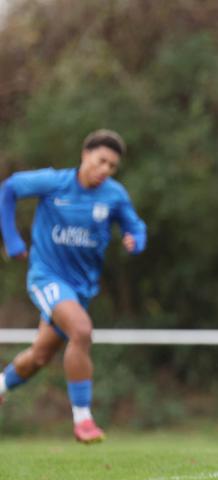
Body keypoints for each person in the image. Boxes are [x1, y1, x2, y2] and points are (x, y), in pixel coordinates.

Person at [0, 129, 147, 443]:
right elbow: (10, 188)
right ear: (85, 154)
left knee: (40, 356)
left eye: (112, 166)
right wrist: (12, 239)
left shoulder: (114, 195)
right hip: (47, 277)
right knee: (81, 330)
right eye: (101, 161)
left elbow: (136, 225)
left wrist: (135, 241)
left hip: (81, 288)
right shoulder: (55, 183)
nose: (105, 170)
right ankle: (83, 420)